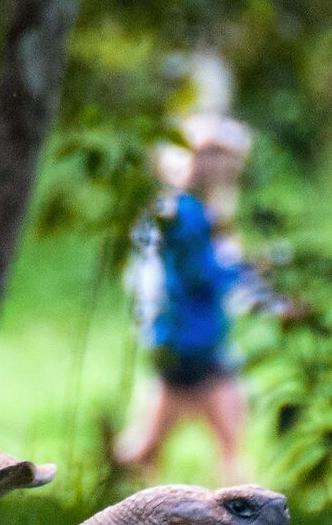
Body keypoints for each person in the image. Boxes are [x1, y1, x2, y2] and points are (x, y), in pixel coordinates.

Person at [114, 112, 269, 482]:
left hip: (186, 338)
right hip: (190, 341)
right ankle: (245, 517)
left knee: (151, 444)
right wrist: (249, 273)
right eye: (208, 153)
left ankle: (112, 476)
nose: (218, 164)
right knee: (231, 434)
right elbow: (198, 274)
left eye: (223, 155)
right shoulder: (185, 213)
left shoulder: (198, 211)